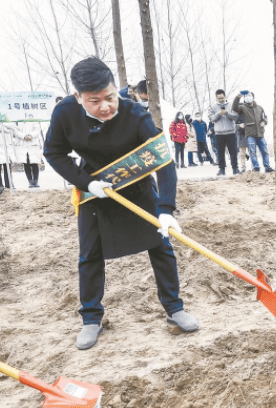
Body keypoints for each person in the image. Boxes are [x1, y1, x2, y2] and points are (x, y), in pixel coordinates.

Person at [44, 57, 199, 350]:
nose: (105, 107)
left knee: (162, 247)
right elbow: (54, 153)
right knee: (89, 254)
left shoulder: (134, 113)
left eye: (110, 97)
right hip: (95, 188)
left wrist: (166, 209)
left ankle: (174, 309)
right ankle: (91, 318)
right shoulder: (64, 113)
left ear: (117, 90)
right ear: (78, 98)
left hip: (136, 183)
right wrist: (86, 183)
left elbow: (164, 163)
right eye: (94, 101)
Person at [231, 90, 274, 173]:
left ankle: (267, 167)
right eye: (246, 96)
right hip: (250, 134)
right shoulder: (243, 108)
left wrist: (264, 122)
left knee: (265, 151)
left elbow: (264, 118)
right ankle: (256, 167)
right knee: (252, 152)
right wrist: (238, 96)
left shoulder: (259, 108)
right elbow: (234, 108)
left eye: (250, 95)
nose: (248, 97)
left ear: (253, 97)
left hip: (260, 134)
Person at [208, 89, 239, 176]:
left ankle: (235, 168)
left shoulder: (231, 105)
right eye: (219, 98)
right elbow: (212, 119)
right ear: (216, 98)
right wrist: (219, 113)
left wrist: (227, 113)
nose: (221, 99)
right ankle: (221, 169)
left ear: (225, 97)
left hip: (231, 132)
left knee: (233, 151)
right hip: (219, 133)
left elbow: (235, 116)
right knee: (220, 152)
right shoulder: (213, 107)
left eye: (222, 98)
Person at [16, 121, 44, 187]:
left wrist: (31, 135)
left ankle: (36, 181)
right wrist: (24, 136)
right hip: (23, 143)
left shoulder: (33, 119)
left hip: (33, 143)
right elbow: (15, 131)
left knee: (34, 163)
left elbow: (37, 130)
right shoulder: (18, 121)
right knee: (26, 163)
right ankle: (30, 181)